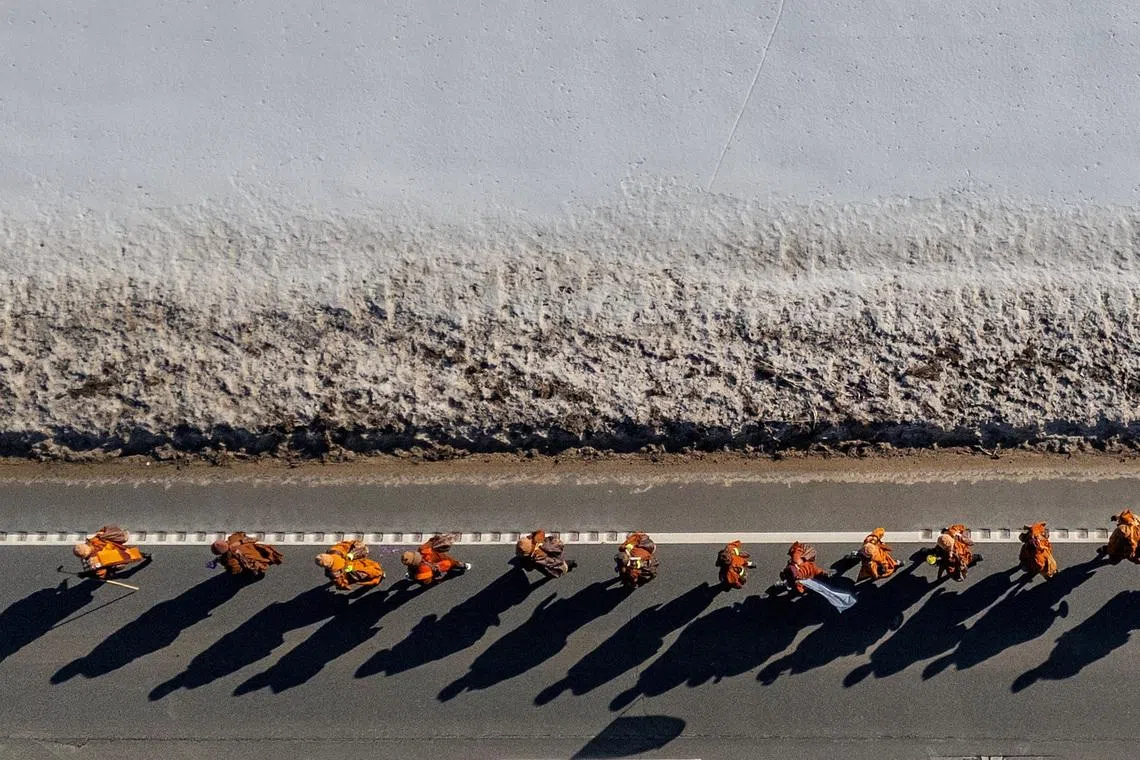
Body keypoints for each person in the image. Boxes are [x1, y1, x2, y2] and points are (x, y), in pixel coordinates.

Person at [72, 525, 151, 580]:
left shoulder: (94, 561)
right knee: (129, 552)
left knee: (119, 565)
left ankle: (116, 572)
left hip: (115, 560)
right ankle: (145, 555)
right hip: (115, 549)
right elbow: (102, 534)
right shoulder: (94, 541)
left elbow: (101, 574)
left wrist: (86, 575)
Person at [401, 533, 470, 586]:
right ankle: (462, 566)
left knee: (449, 563)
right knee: (450, 563)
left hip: (433, 567)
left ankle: (411, 576)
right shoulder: (422, 549)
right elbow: (431, 541)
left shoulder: (419, 566)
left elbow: (426, 580)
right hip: (439, 563)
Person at [315, 539, 385, 591]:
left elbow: (340, 582)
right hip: (355, 563)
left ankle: (379, 576)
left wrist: (344, 586)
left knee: (368, 573)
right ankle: (379, 574)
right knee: (371, 568)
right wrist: (356, 543)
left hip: (352, 571)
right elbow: (345, 545)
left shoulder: (333, 573)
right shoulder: (334, 551)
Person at [210, 532, 284, 578]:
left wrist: (225, 563)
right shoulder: (234, 539)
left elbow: (236, 570)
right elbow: (241, 534)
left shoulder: (230, 560)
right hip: (258, 551)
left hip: (255, 563)